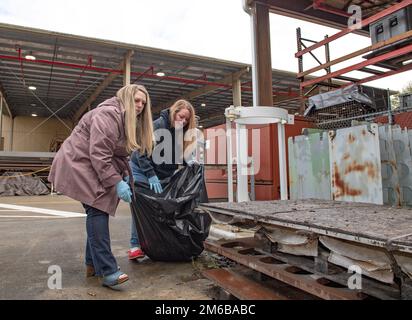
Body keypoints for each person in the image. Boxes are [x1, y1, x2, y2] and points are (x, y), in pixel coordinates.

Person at [48, 84, 153, 287]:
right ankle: (107, 270)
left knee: (97, 211)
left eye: (143, 102)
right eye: (136, 100)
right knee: (97, 211)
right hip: (79, 163)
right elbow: (99, 154)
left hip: (90, 164)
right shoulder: (108, 115)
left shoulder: (126, 120)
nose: (140, 105)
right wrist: (116, 182)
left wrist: (122, 178)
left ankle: (92, 265)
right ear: (125, 98)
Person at [128, 99, 198, 260]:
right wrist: (150, 175)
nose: (183, 121)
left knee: (161, 208)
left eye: (186, 119)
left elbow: (181, 152)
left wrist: (191, 161)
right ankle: (135, 246)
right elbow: (141, 152)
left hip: (163, 174)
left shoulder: (181, 131)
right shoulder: (158, 125)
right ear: (174, 112)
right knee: (141, 208)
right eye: (181, 116)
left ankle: (155, 243)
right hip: (141, 170)